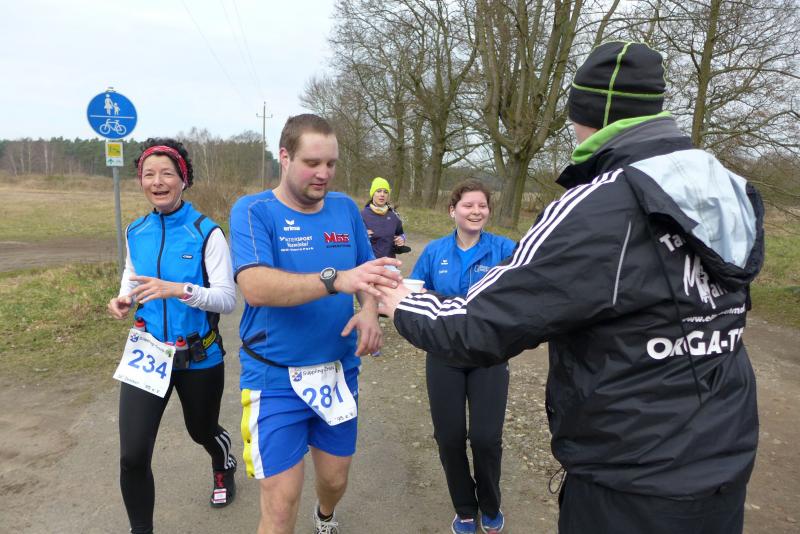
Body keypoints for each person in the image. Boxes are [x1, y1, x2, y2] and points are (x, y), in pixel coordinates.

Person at [378, 41, 764, 534]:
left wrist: (401, 300)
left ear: (585, 117)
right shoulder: (729, 188)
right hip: (724, 466)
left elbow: (477, 326)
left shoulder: (598, 206)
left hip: (629, 484)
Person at [228, 114, 401, 534]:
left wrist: (368, 310)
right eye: (312, 163)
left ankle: (325, 515)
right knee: (280, 503)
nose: (323, 173)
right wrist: (334, 280)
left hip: (337, 373)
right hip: (274, 378)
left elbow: (368, 273)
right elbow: (255, 286)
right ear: (285, 157)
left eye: (331, 164)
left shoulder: (344, 209)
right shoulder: (253, 210)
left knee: (335, 481)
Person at [107, 138, 238, 534]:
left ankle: (223, 463)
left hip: (198, 356)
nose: (158, 181)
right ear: (140, 181)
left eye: (167, 173)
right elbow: (133, 274)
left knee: (202, 430)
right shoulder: (136, 230)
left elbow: (227, 299)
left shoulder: (206, 233)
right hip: (148, 354)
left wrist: (179, 289)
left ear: (184, 179)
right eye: (149, 174)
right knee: (132, 456)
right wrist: (124, 298)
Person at [410, 180, 515, 534]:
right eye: (468, 205)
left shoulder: (505, 249)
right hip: (444, 355)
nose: (476, 211)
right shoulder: (434, 252)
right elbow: (413, 294)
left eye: (482, 205)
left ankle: (490, 504)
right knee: (449, 437)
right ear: (452, 210)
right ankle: (465, 508)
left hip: (489, 356)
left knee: (485, 438)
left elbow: (527, 289)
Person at [360, 176, 408, 258]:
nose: (382, 194)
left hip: (390, 262)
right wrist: (362, 235)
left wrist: (402, 239)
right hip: (369, 263)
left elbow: (401, 234)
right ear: (373, 194)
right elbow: (353, 239)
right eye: (378, 191)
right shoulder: (362, 215)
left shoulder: (393, 215)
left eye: (385, 192)